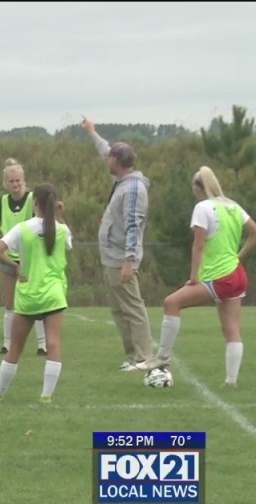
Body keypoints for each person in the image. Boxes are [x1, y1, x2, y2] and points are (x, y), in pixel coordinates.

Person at [137, 167, 256, 387]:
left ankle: (163, 357)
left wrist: (194, 277)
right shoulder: (232, 206)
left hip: (219, 276)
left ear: (198, 188)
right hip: (237, 274)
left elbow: (198, 244)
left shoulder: (203, 207)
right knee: (231, 328)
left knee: (171, 302)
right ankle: (231, 382)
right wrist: (238, 257)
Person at [0, 184, 73, 403]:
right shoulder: (62, 229)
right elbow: (68, 246)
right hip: (53, 293)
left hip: (29, 294)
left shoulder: (22, 228)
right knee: (53, 345)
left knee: (15, 347)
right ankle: (46, 396)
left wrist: (16, 267)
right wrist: (60, 217)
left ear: (34, 202)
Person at [81, 116, 152, 372]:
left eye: (110, 157)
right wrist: (92, 133)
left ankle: (144, 357)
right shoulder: (122, 182)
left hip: (122, 258)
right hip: (112, 257)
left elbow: (133, 224)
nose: (106, 159)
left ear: (118, 161)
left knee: (132, 308)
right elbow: (104, 150)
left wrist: (129, 260)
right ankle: (133, 356)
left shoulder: (132, 188)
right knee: (119, 310)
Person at [0, 159, 47, 356]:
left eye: (18, 180)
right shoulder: (3, 202)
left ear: (24, 180)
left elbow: (43, 220)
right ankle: (7, 343)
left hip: (30, 259)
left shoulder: (32, 199)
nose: (15, 184)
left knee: (35, 301)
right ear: (5, 183)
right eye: (11, 181)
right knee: (10, 303)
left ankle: (42, 345)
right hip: (8, 258)